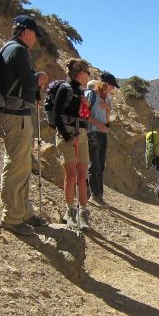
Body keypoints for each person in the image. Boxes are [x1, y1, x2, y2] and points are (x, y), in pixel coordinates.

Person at [0, 15, 49, 236]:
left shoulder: (7, 49)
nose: (35, 39)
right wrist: (39, 77)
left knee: (23, 163)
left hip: (15, 112)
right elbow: (28, 82)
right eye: (35, 34)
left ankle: (23, 212)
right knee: (17, 163)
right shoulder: (18, 51)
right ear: (26, 31)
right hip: (16, 114)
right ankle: (11, 217)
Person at [54, 58, 92, 228]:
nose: (89, 76)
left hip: (81, 133)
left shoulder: (81, 91)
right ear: (81, 73)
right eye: (88, 73)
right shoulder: (65, 88)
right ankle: (70, 211)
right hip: (68, 134)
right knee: (71, 175)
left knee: (83, 176)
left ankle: (83, 212)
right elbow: (56, 115)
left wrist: (85, 106)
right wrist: (67, 136)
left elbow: (83, 116)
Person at [84, 72, 118, 206]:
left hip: (102, 133)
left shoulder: (106, 98)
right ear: (106, 84)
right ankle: (95, 195)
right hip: (92, 133)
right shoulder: (91, 94)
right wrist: (99, 125)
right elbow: (84, 115)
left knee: (101, 165)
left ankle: (99, 195)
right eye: (112, 86)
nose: (113, 89)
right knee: (94, 165)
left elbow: (108, 117)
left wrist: (108, 109)